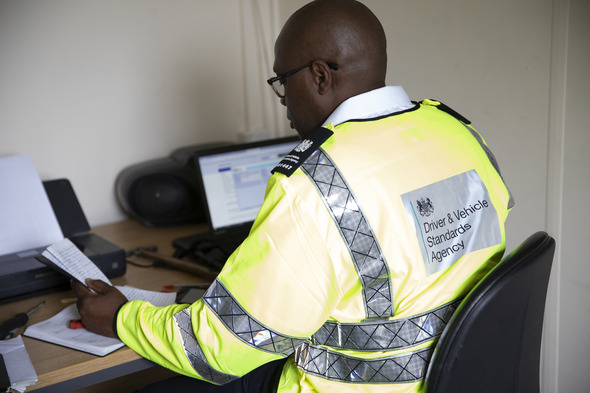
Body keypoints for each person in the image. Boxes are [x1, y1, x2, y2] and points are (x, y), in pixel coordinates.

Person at [73, 1, 514, 392]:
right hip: (455, 373)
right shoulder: (460, 133)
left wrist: (119, 317)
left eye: (283, 81)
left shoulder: (316, 185)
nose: (283, 103)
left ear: (320, 76)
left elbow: (216, 351)